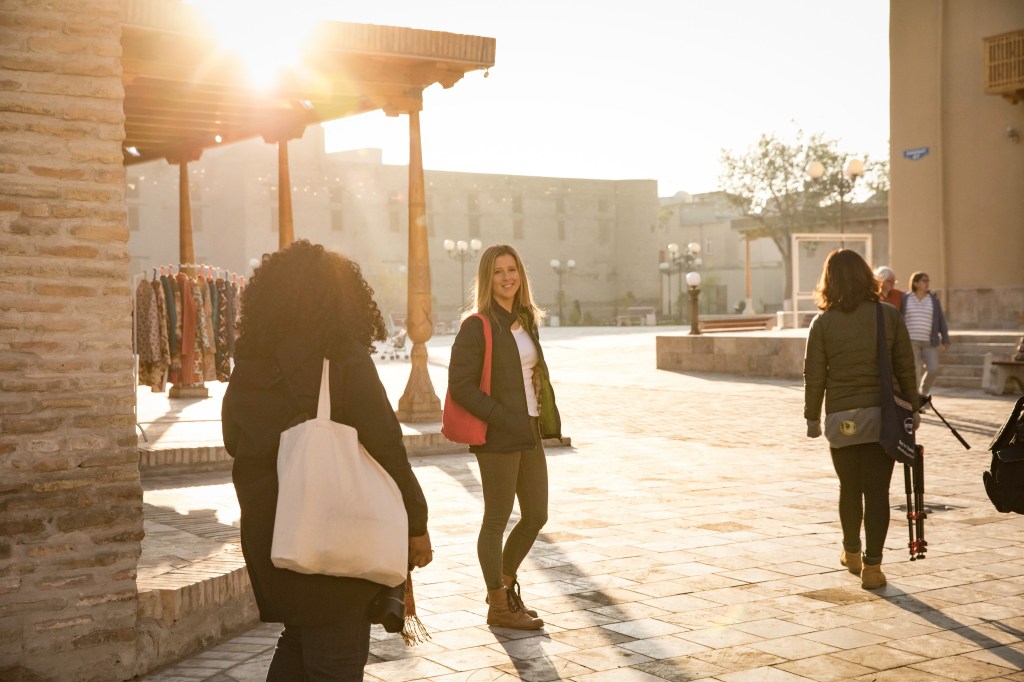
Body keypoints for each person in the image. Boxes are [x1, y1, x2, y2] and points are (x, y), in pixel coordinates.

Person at [222, 240, 433, 680]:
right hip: (334, 528)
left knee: (299, 638)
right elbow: (386, 444)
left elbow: (232, 437)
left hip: (274, 534)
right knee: (335, 655)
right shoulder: (342, 359)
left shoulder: (251, 361)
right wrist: (416, 520)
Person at [448, 244, 561, 630]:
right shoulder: (477, 325)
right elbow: (460, 386)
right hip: (498, 434)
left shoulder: (525, 321)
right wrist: (501, 418)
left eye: (512, 269)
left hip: (527, 428)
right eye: (498, 271)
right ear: (487, 278)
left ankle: (505, 588)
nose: (507, 277)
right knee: (496, 519)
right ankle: (498, 604)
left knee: (535, 516)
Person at [804, 249, 920, 589]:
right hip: (882, 418)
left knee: (849, 488)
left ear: (830, 280)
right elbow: (905, 366)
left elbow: (815, 375)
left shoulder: (822, 323)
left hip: (842, 419)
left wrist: (812, 418)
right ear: (867, 276)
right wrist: (912, 408)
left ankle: (851, 552)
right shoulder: (888, 315)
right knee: (878, 492)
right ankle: (873, 568)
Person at [901, 271, 950, 402]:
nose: (927, 283)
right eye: (924, 280)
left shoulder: (933, 300)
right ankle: (915, 400)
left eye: (928, 281)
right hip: (911, 341)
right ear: (915, 283)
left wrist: (945, 338)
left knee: (933, 368)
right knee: (915, 372)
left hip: (929, 341)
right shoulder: (906, 298)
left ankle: (923, 393)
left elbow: (940, 319)